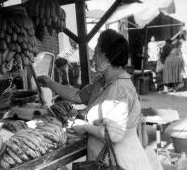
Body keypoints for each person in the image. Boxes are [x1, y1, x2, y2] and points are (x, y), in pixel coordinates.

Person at [37, 29, 152, 170]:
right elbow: (77, 95)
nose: (93, 58)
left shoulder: (120, 89)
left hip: (121, 163)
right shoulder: (103, 82)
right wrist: (50, 83)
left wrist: (84, 127)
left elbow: (113, 134)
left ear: (108, 58)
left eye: (97, 52)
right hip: (103, 162)